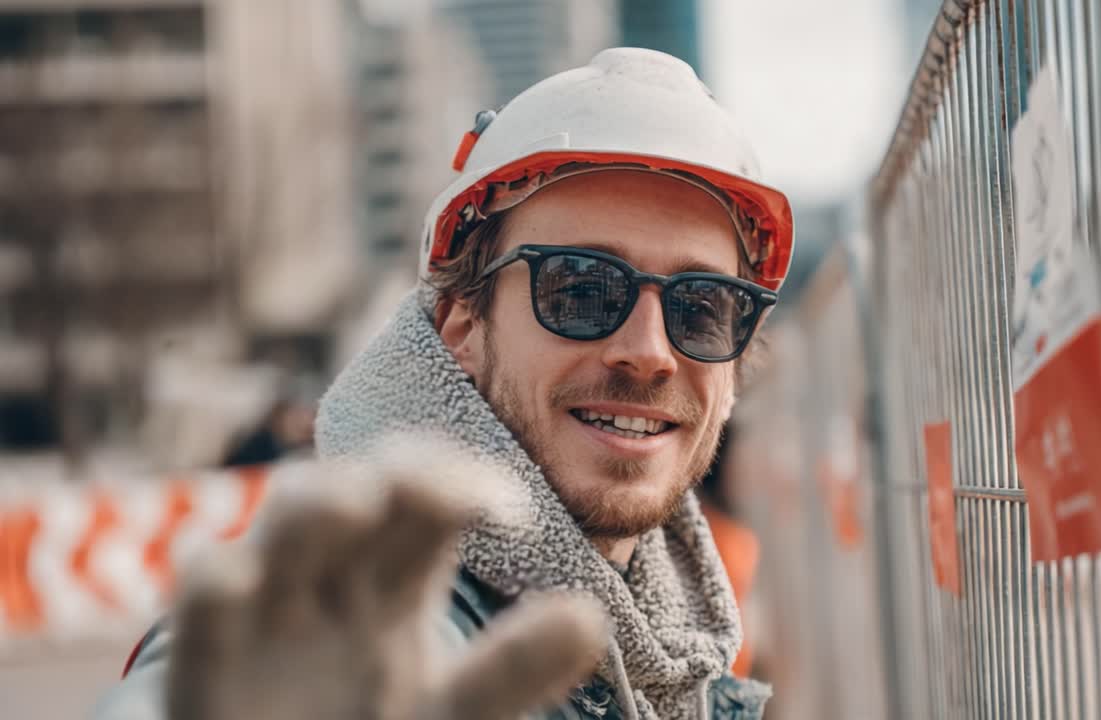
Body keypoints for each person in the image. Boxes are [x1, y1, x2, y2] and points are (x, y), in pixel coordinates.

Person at [93, 47, 793, 720]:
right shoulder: (368, 601)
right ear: (462, 322)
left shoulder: (682, 655)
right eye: (581, 288)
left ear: (733, 370)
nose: (648, 353)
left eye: (701, 306)